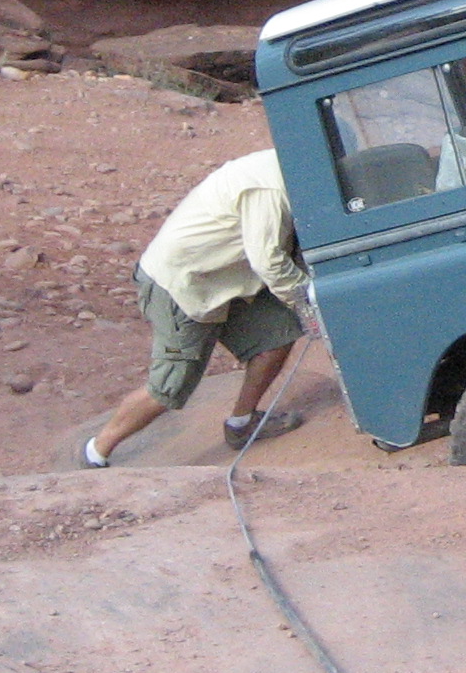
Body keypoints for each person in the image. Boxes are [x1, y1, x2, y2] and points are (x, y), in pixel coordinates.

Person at [82, 146, 313, 467]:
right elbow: (269, 262)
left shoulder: (289, 165)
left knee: (276, 336)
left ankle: (242, 424)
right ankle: (97, 451)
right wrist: (308, 299)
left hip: (222, 278)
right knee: (170, 384)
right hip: (180, 286)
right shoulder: (269, 189)